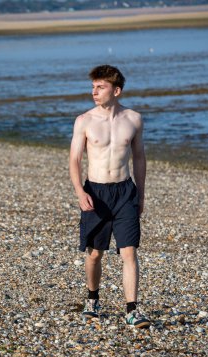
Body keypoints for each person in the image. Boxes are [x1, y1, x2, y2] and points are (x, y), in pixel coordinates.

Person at [69, 65, 150, 328]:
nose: (94, 92)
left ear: (116, 90)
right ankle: (92, 300)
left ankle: (132, 310)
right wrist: (80, 192)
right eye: (93, 87)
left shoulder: (134, 119)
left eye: (100, 87)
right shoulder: (84, 121)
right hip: (96, 192)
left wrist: (141, 194)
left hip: (125, 191)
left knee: (129, 252)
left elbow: (139, 157)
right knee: (94, 254)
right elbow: (74, 160)